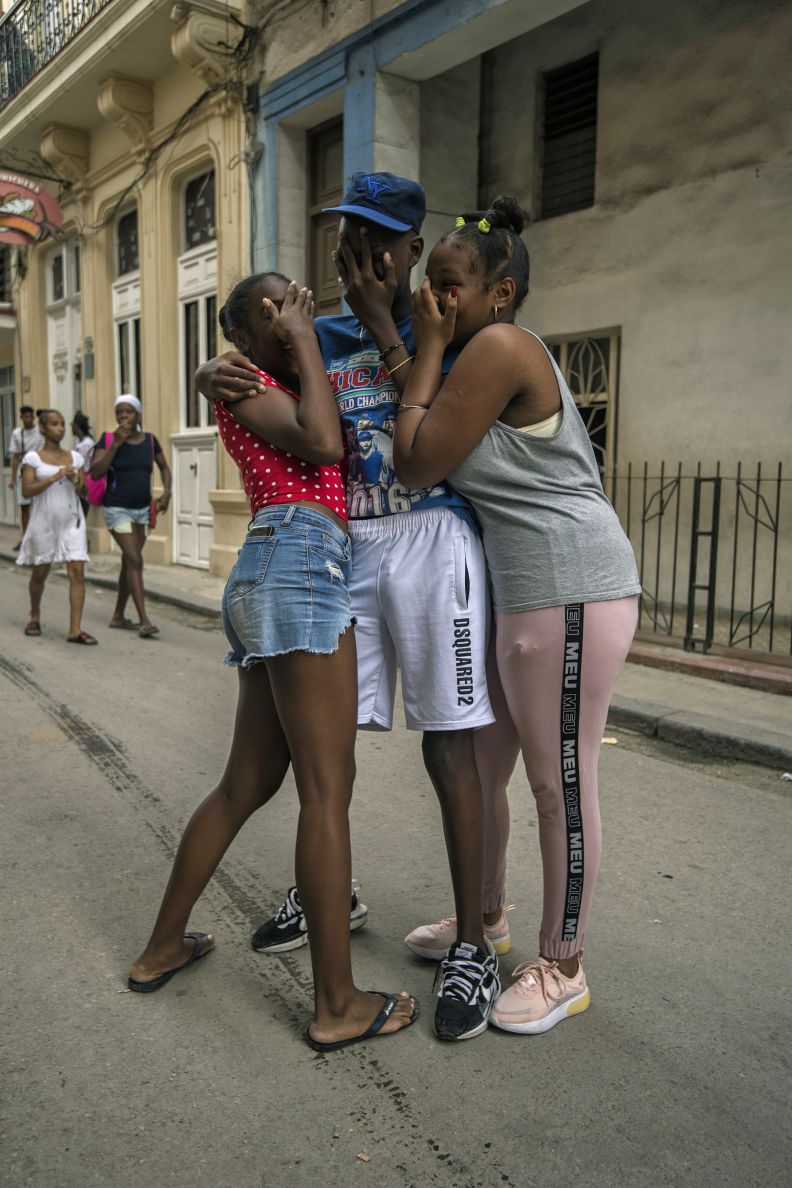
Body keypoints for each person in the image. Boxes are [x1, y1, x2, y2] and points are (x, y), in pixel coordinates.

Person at [196, 173, 503, 1043]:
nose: (357, 255)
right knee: (329, 753)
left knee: (451, 747)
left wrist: (385, 328)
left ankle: (473, 942)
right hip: (345, 548)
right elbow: (247, 378)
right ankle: (331, 895)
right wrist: (211, 365)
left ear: (411, 250)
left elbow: (439, 447)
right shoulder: (312, 335)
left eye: (379, 238)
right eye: (345, 237)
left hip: (431, 538)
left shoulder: (446, 330)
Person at [128, 274, 418, 1053]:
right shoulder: (248, 378)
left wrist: (300, 345)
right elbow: (324, 444)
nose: (296, 315)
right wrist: (292, 343)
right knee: (328, 790)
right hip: (298, 559)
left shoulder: (271, 376)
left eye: (297, 303)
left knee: (248, 782)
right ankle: (336, 1005)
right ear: (247, 336)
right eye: (277, 310)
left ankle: (162, 948)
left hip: (279, 564)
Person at [392, 196, 641, 1035]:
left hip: (568, 586)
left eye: (450, 286)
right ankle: (486, 922)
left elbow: (418, 460)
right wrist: (422, 348)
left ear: (499, 295)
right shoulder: (468, 355)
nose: (435, 300)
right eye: (430, 286)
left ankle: (563, 964)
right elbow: (423, 425)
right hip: (522, 591)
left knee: (557, 783)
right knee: (490, 768)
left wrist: (419, 346)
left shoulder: (498, 347)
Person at [90, 395, 171, 637]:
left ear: (138, 415)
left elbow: (164, 467)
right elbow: (95, 473)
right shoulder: (106, 440)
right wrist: (115, 445)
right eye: (119, 412)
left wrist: (167, 492)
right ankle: (144, 620)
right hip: (117, 509)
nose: (123, 416)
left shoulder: (149, 441)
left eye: (128, 412)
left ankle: (117, 616)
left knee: (129, 561)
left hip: (143, 510)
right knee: (135, 559)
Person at [16, 408, 97, 645]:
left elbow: (85, 491)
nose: (60, 428)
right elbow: (26, 490)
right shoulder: (33, 458)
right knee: (40, 573)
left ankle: (75, 629)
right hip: (44, 522)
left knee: (77, 573)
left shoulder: (75, 457)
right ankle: (34, 615)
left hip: (72, 521)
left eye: (62, 424)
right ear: (43, 428)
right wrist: (54, 477)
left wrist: (75, 481)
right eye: (54, 424)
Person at [9, 404, 44, 550]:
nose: (28, 420)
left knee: (40, 507)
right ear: (21, 418)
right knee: (24, 508)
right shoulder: (17, 434)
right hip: (23, 475)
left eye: (30, 417)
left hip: (38, 473)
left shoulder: (41, 432)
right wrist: (13, 478)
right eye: (25, 417)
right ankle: (26, 539)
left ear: (34, 417)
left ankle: (39, 538)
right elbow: (16, 456)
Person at [72, 411, 95, 518]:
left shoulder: (87, 443)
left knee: (82, 511)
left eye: (72, 425)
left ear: (77, 426)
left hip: (85, 479)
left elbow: (88, 463)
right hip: (77, 479)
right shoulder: (78, 441)